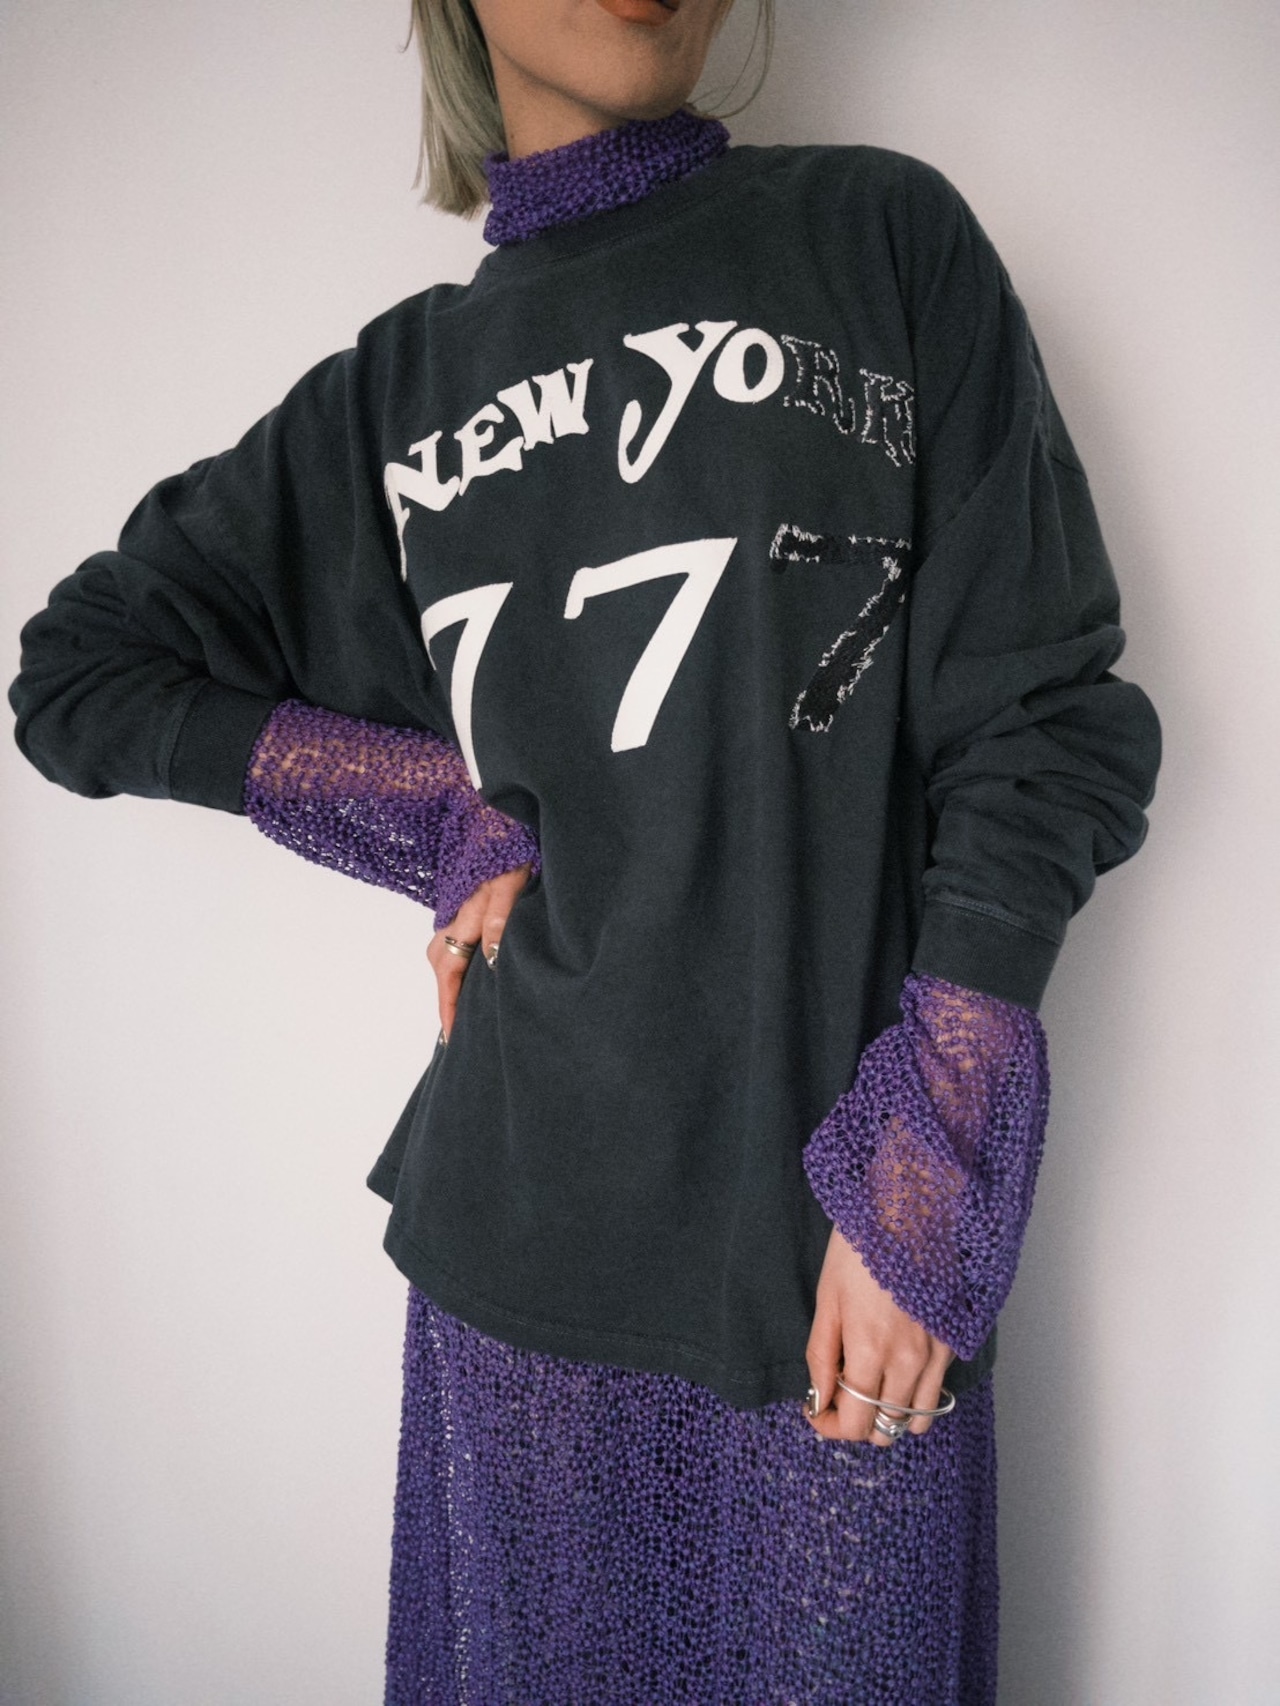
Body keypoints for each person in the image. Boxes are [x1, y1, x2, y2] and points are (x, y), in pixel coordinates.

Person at [8, 0, 1161, 1699]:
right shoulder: (395, 395)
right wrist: (436, 809)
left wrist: (929, 1173)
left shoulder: (877, 238)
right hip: (517, 1281)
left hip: (837, 1269)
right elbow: (77, 674)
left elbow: (1045, 716)